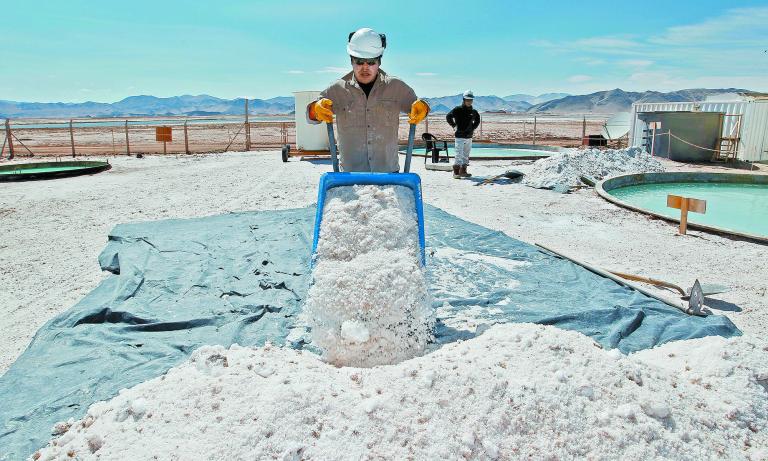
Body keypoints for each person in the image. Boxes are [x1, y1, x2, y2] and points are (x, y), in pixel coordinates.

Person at [306, 28, 430, 173]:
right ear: (351, 60)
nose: (365, 67)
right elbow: (310, 117)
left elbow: (419, 107)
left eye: (371, 62)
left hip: (388, 175)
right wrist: (315, 109)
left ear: (379, 61)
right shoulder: (337, 89)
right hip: (349, 177)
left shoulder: (397, 87)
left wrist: (424, 108)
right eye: (359, 62)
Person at [446, 90, 480, 179]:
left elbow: (477, 120)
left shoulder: (473, 111)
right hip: (460, 136)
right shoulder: (457, 110)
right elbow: (448, 116)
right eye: (467, 100)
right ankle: (456, 173)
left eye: (471, 100)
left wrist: (473, 128)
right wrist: (454, 125)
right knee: (458, 154)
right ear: (464, 100)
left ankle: (463, 171)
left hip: (469, 136)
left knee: (466, 154)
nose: (469, 102)